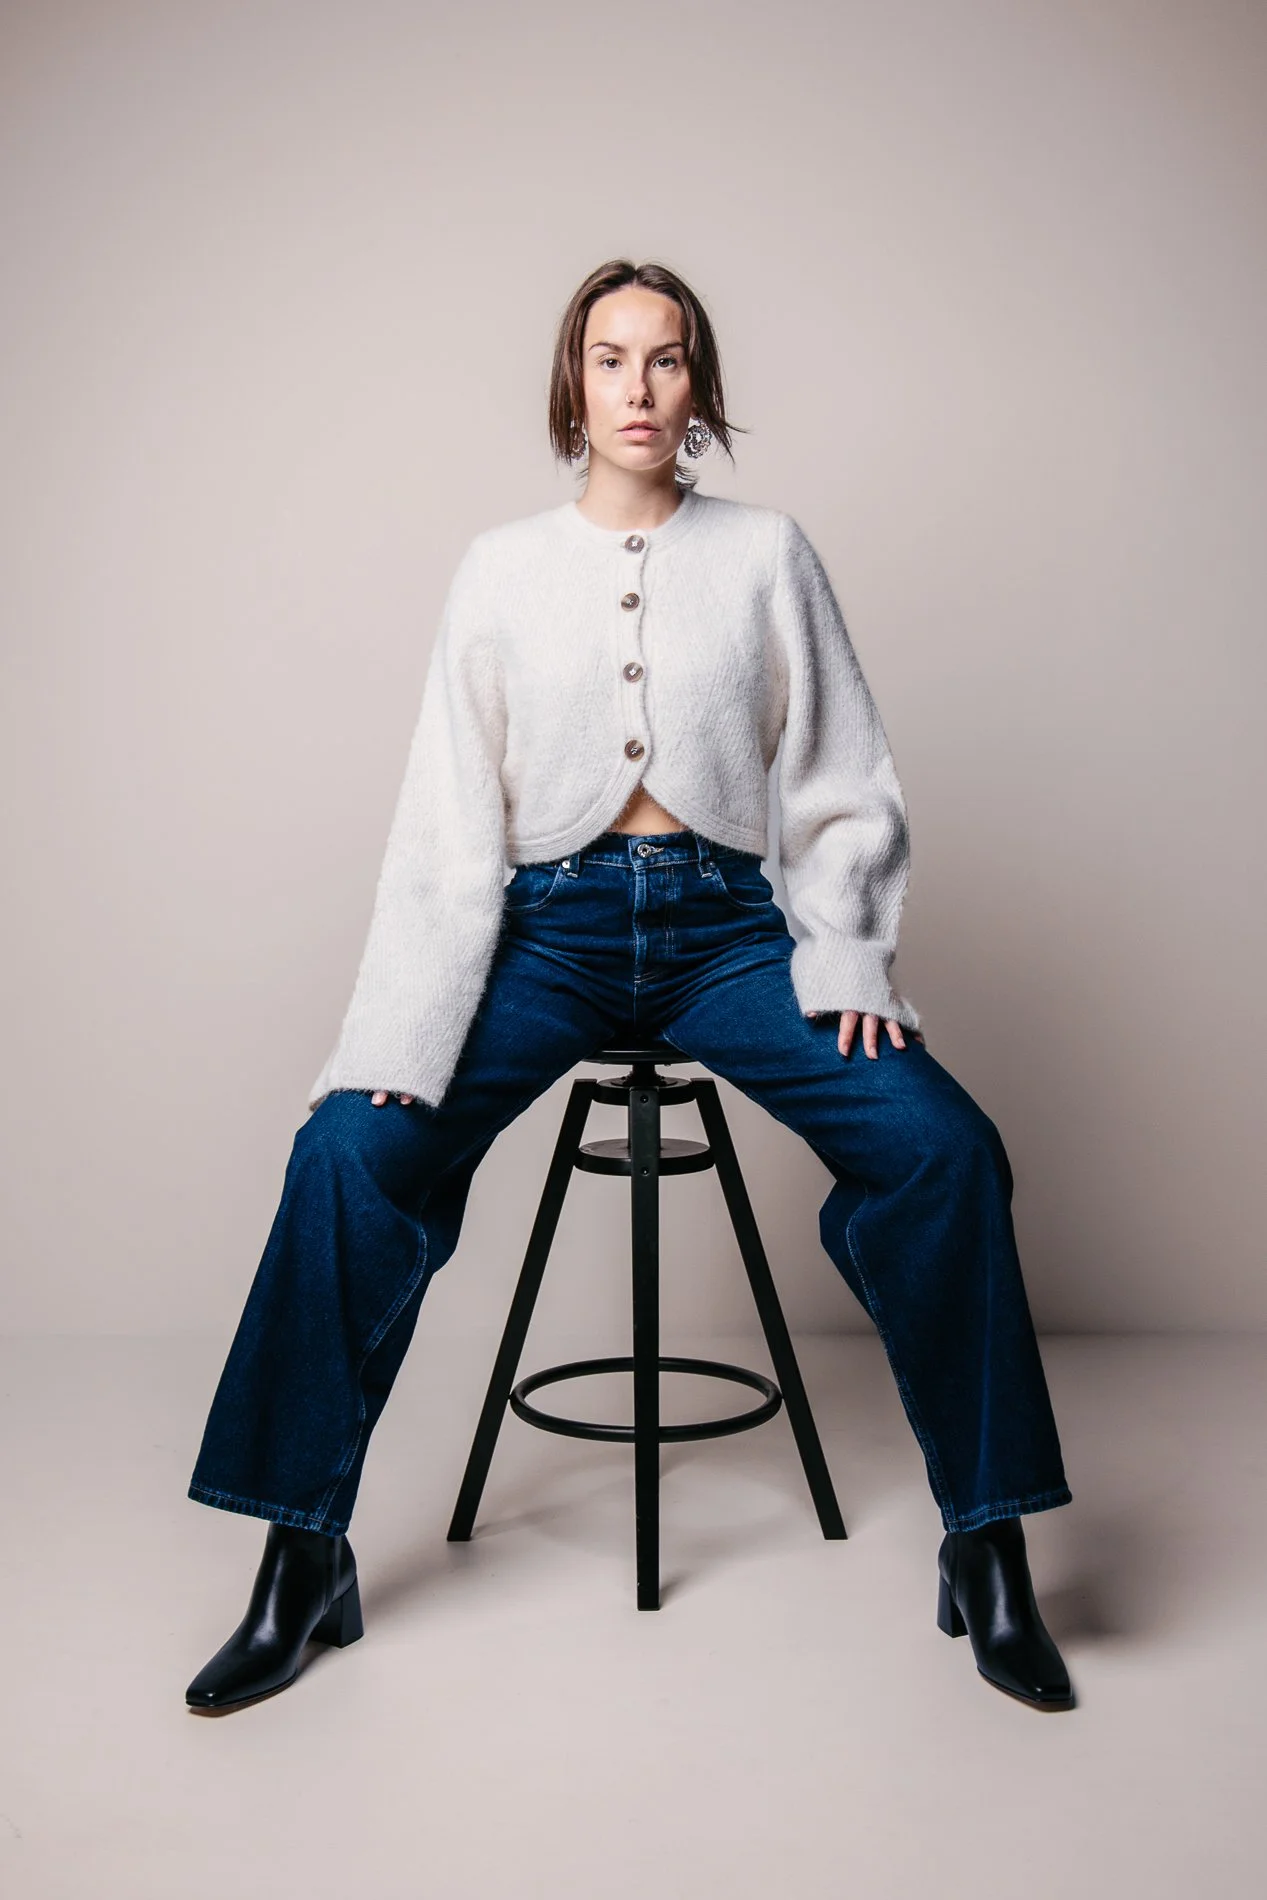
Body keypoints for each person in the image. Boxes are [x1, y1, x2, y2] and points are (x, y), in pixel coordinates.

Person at [185, 258, 1075, 1717]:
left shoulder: (769, 551)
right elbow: (445, 820)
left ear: (697, 387)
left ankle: (985, 1543)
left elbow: (841, 777)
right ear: (572, 386)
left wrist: (843, 951)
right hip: (541, 930)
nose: (639, 389)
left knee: (942, 1149)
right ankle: (302, 1556)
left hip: (734, 931)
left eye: (666, 361)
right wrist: (395, 1031)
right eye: (611, 361)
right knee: (347, 1154)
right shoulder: (497, 569)